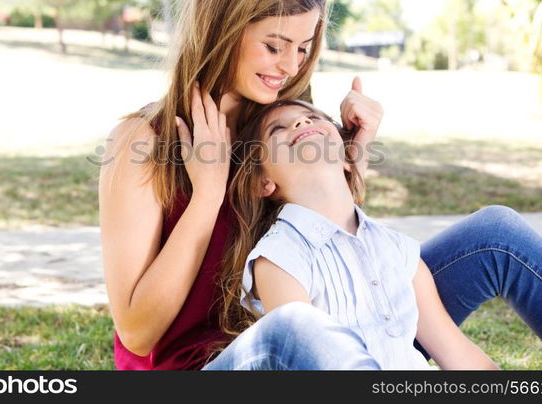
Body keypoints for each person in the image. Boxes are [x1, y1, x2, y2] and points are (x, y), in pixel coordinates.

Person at [98, 0, 542, 371]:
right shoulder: (144, 142)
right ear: (224, 25)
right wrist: (206, 196)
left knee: (495, 234)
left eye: (304, 46)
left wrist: (352, 163)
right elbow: (138, 334)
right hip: (227, 364)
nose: (289, 65)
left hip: (335, 350)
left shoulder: (278, 118)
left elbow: (344, 265)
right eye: (274, 44)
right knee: (294, 330)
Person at [209, 99, 505, 369]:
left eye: (312, 117)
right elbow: (301, 357)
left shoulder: (398, 248)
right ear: (263, 182)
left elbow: (455, 352)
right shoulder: (279, 258)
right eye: (278, 129)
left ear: (349, 158)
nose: (302, 124)